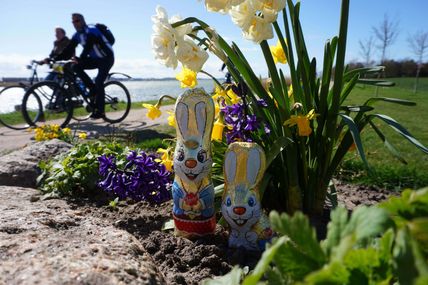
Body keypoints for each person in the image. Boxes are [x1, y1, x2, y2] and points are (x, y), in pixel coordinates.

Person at [54, 13, 114, 119]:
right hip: (95, 60)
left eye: (77, 21)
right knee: (75, 67)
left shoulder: (91, 30)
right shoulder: (76, 35)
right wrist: (54, 58)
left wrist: (80, 58)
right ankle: (92, 90)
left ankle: (101, 111)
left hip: (106, 59)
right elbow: (68, 50)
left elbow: (88, 46)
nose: (75, 24)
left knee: (99, 81)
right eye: (73, 22)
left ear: (82, 21)